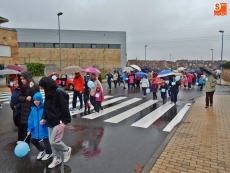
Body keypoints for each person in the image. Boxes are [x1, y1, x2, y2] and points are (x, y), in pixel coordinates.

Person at [39, 77, 71, 169]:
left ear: (47, 86)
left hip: (59, 121)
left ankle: (66, 149)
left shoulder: (59, 92)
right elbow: (46, 106)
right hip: (50, 121)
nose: (42, 89)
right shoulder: (48, 93)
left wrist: (65, 121)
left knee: (54, 142)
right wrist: (44, 118)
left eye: (43, 87)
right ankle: (56, 158)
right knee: (51, 142)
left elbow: (64, 108)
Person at [27, 92, 53, 160]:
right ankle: (42, 150)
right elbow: (30, 120)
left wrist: (45, 121)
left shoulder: (44, 108)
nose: (36, 102)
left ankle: (49, 153)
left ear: (41, 100)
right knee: (33, 141)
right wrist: (29, 129)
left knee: (46, 141)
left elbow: (49, 117)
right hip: (36, 129)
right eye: (35, 100)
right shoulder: (33, 109)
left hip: (44, 128)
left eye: (38, 100)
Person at [18, 71, 40, 145]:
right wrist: (25, 98)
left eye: (24, 79)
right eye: (21, 79)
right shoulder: (22, 87)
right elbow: (19, 97)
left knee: (29, 127)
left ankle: (27, 144)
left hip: (31, 110)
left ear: (28, 78)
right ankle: (25, 143)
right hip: (24, 110)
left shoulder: (35, 85)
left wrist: (31, 88)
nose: (22, 80)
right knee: (25, 127)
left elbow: (37, 97)